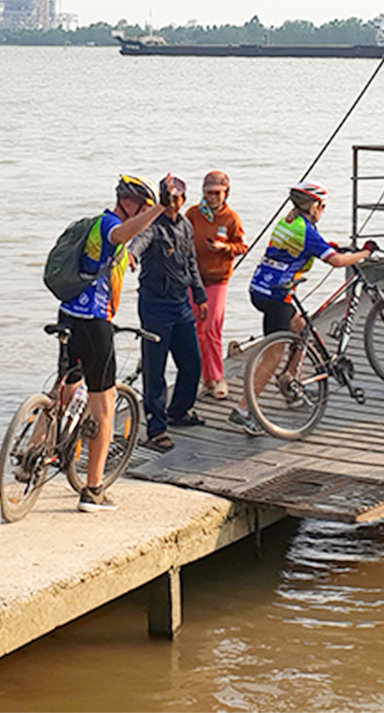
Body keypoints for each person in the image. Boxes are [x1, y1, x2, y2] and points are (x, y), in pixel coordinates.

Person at [56, 174, 164, 512]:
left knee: (64, 388)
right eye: (143, 206)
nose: (144, 212)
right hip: (93, 325)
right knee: (104, 409)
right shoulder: (110, 225)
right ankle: (92, 491)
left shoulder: (95, 225)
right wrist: (161, 207)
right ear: (131, 203)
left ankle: (32, 454)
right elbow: (120, 236)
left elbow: (112, 253)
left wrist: (128, 259)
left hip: (68, 315)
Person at [235, 182, 376, 431]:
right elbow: (338, 262)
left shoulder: (289, 222)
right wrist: (363, 254)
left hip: (260, 288)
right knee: (273, 354)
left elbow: (298, 247)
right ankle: (243, 409)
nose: (323, 210)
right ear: (313, 206)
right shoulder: (306, 232)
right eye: (322, 206)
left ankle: (289, 379)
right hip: (278, 296)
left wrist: (324, 245)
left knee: (302, 327)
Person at [127, 175, 206, 451]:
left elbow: (191, 262)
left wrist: (200, 296)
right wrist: (131, 257)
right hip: (154, 305)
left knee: (192, 363)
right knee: (155, 367)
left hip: (181, 303)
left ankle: (179, 411)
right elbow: (138, 242)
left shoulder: (185, 225)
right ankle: (156, 427)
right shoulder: (152, 226)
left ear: (184, 200)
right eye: (167, 200)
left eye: (176, 200)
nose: (172, 205)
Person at [186, 170, 249, 402]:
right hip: (194, 279)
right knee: (196, 330)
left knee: (211, 328)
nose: (212, 198)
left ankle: (218, 376)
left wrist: (224, 248)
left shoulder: (231, 218)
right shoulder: (193, 214)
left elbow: (242, 246)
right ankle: (206, 378)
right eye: (208, 193)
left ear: (226, 193)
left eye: (216, 193)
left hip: (218, 279)